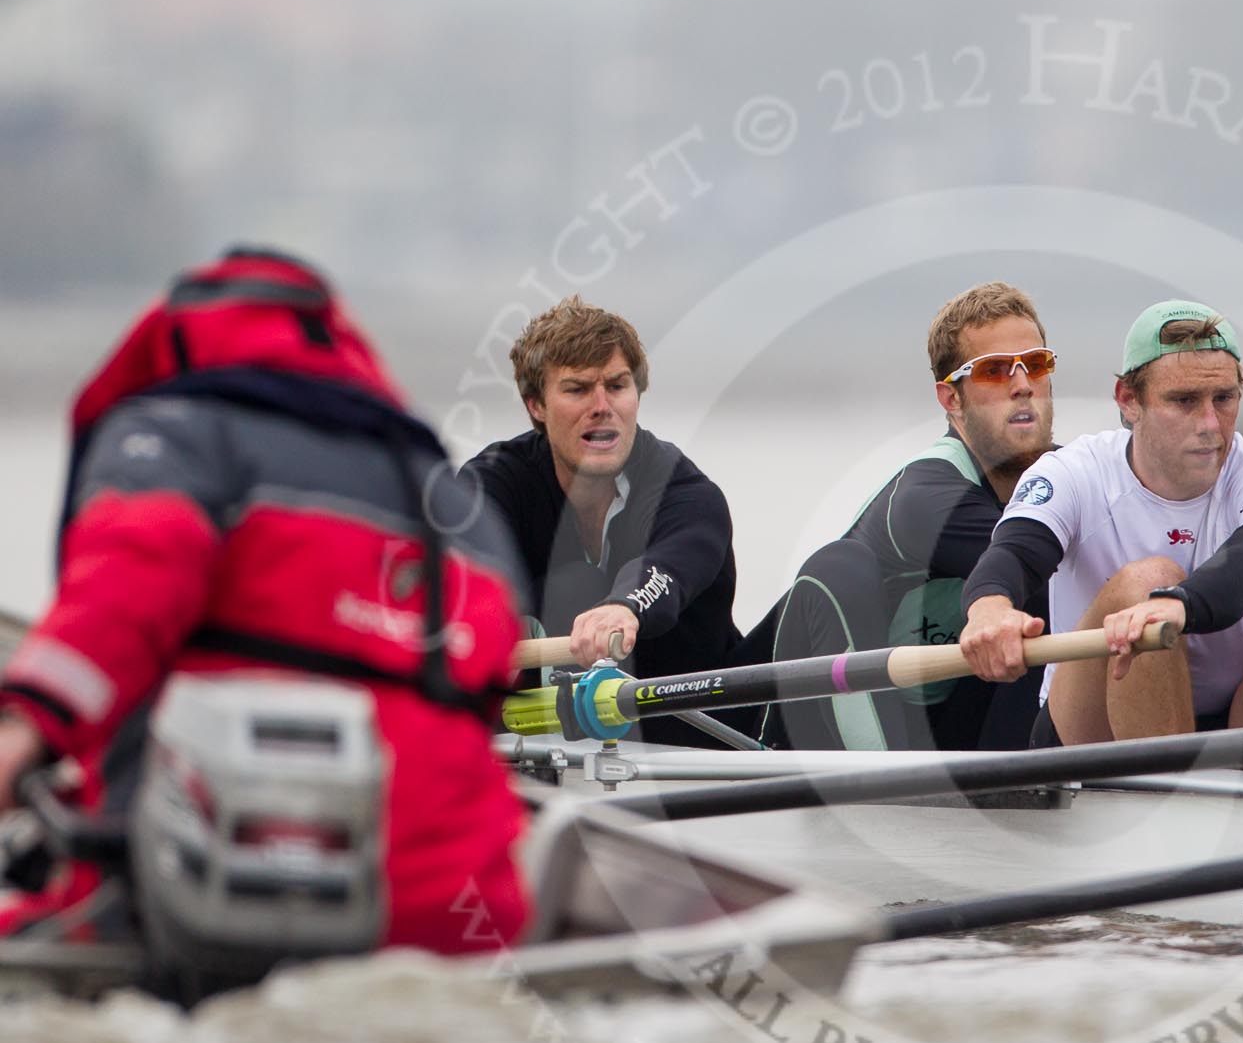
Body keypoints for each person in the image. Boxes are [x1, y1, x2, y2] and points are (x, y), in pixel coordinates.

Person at [0, 247, 529, 949]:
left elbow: (121, 595)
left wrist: (24, 730)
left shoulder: (174, 436)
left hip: (200, 913)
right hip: (454, 921)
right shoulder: (454, 499)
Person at [958, 299, 1243, 745]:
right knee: (1146, 582)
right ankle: (1172, 801)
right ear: (1129, 400)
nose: (1210, 424)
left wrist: (1182, 603)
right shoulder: (1075, 471)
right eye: (1185, 401)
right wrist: (989, 609)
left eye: (1223, 399)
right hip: (1095, 729)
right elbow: (1016, 553)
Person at [764, 282, 1053, 750]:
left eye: (1036, 365)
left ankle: (1033, 783)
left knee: (1045, 598)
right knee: (838, 566)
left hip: (942, 727)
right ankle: (889, 796)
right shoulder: (926, 496)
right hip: (795, 736)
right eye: (995, 371)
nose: (1022, 384)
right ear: (951, 399)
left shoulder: (1071, 477)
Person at [463, 297, 758, 743]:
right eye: (578, 389)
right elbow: (460, 554)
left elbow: (668, 568)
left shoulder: (687, 493)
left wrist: (624, 607)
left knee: (829, 572)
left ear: (636, 395)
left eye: (617, 386)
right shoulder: (495, 482)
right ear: (536, 405)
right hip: (554, 745)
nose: (602, 405)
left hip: (705, 741)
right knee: (562, 584)